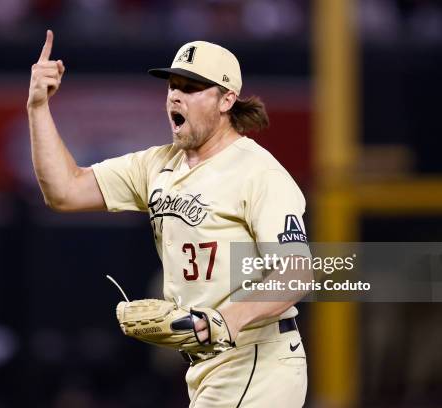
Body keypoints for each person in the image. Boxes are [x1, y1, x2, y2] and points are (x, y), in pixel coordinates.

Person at [28, 30, 311, 408]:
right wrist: (38, 108)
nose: (176, 95)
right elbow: (64, 190)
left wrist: (225, 318)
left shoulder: (258, 172)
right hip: (208, 366)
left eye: (192, 87)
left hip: (257, 359)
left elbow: (296, 272)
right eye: (173, 85)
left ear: (227, 99)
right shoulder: (157, 165)